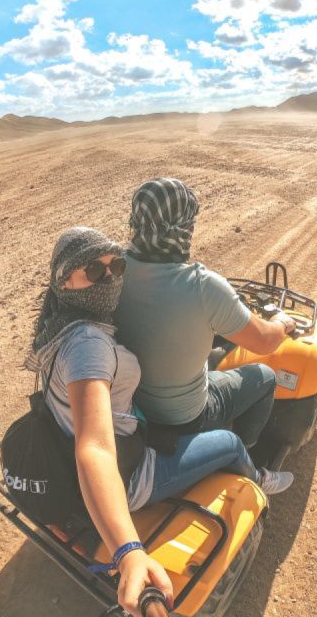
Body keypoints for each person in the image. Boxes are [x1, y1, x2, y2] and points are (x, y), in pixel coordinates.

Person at [24, 226, 294, 617]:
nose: (111, 277)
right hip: (133, 474)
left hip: (72, 449)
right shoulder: (89, 346)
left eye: (115, 266)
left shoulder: (60, 325)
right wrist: (129, 552)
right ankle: (256, 477)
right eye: (94, 272)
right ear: (63, 279)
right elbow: (95, 448)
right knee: (231, 444)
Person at [115, 178, 297, 451]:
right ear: (183, 228)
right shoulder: (204, 287)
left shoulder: (111, 270)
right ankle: (240, 456)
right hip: (184, 419)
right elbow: (265, 342)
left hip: (129, 408)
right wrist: (281, 323)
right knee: (265, 376)